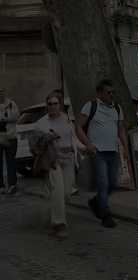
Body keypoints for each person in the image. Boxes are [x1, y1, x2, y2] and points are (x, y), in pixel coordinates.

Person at [76, 79, 128, 228]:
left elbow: (121, 129)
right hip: (98, 152)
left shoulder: (117, 108)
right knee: (103, 183)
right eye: (108, 92)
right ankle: (105, 215)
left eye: (113, 92)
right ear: (99, 93)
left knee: (113, 183)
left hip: (113, 152)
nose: (111, 95)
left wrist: (124, 148)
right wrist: (88, 144)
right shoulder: (91, 106)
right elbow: (78, 127)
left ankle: (96, 201)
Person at [35, 92, 82, 238]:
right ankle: (58, 224)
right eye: (50, 104)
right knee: (58, 190)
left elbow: (73, 138)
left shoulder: (66, 119)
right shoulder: (41, 123)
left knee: (66, 193)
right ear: (46, 106)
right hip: (53, 160)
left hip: (68, 159)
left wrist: (85, 148)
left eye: (55, 104)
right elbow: (36, 145)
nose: (53, 107)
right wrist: (47, 138)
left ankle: (51, 213)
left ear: (60, 105)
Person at [0, 88, 19, 195]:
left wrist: (3, 119)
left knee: (11, 161)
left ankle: (12, 185)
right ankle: (1, 186)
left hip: (10, 137)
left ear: (4, 93)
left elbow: (16, 116)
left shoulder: (12, 104)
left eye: (1, 92)